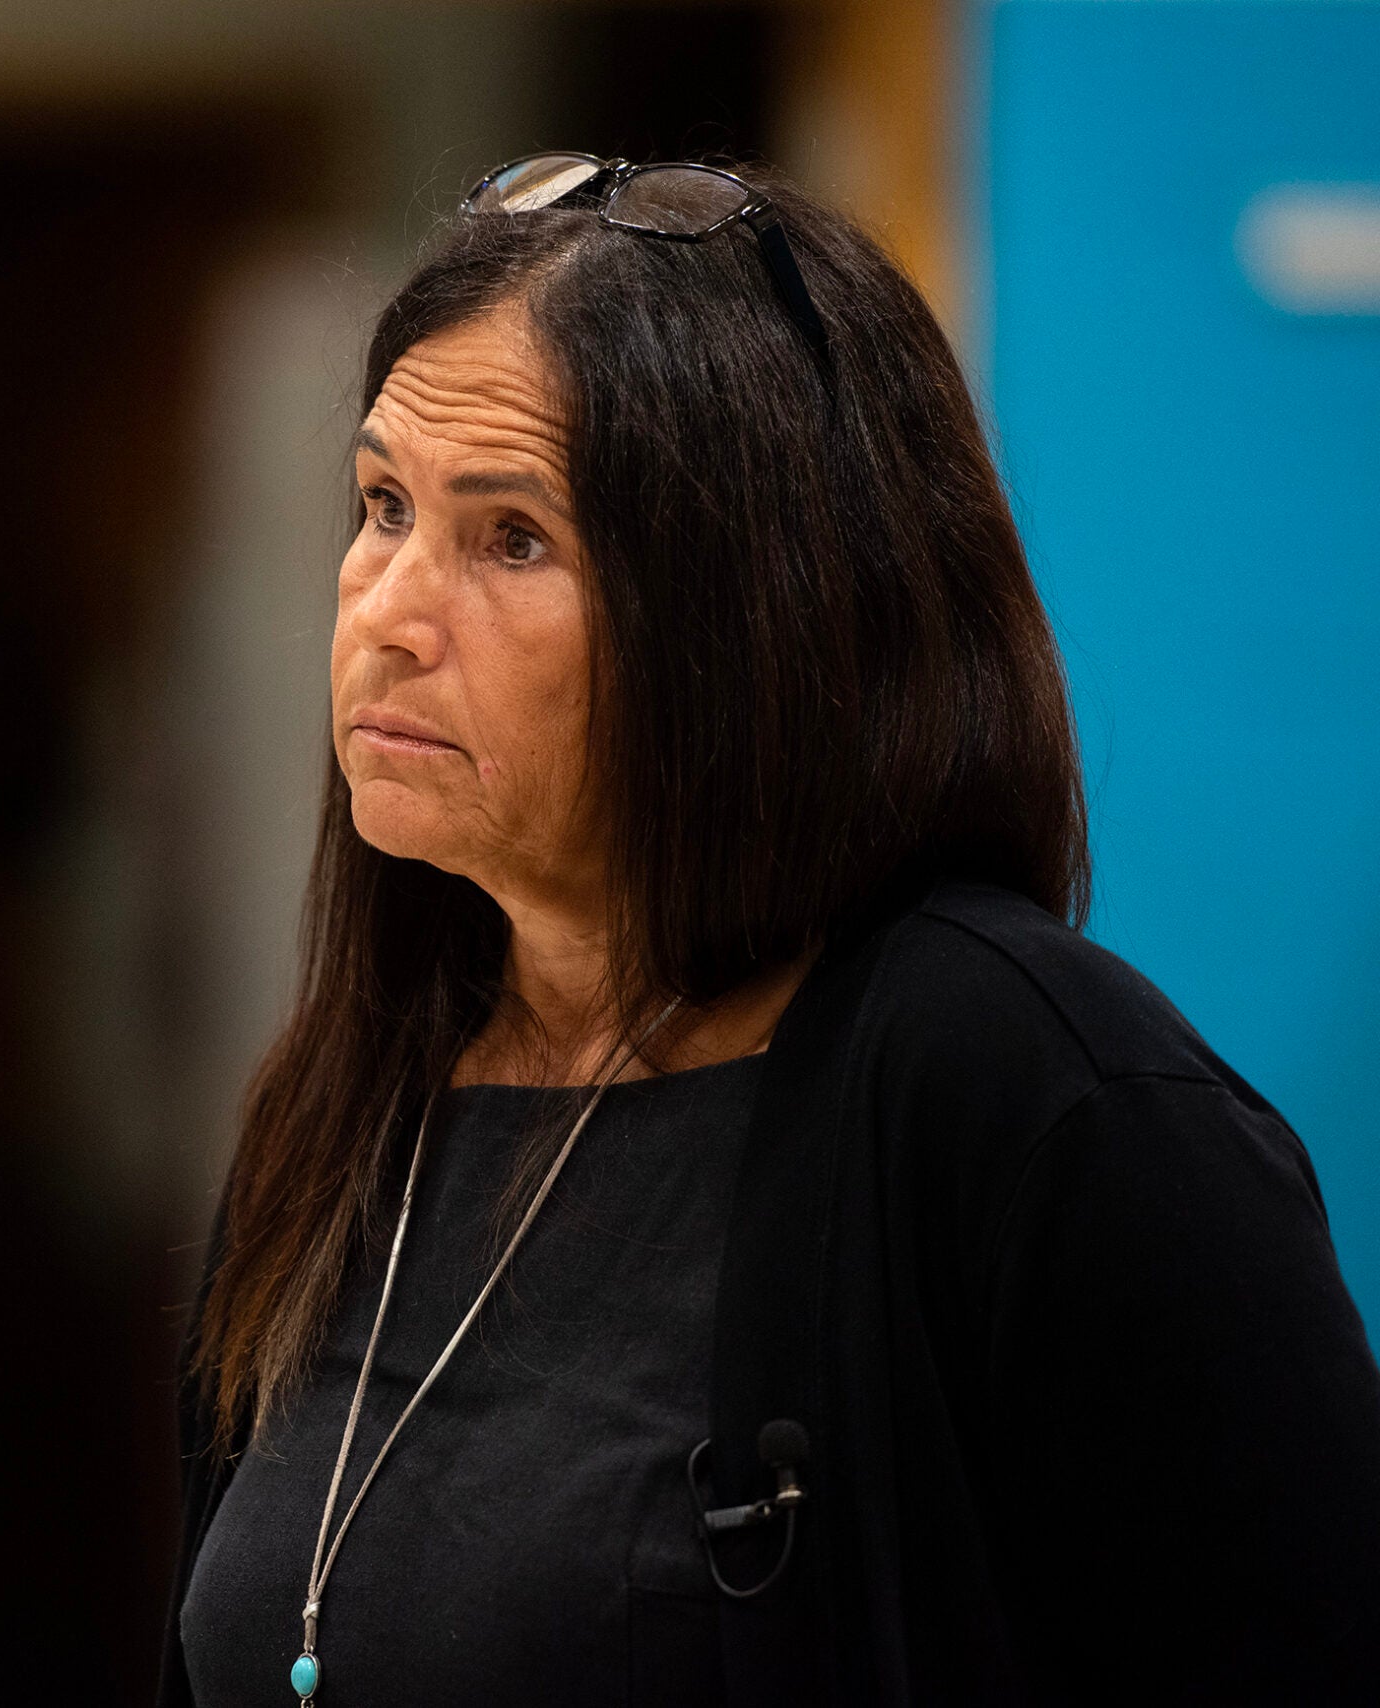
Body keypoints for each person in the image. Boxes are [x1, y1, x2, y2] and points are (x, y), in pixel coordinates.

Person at [162, 154, 1380, 1706]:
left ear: (747, 620)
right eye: (383, 505)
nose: (387, 610)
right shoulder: (346, 1104)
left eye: (512, 538)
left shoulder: (1042, 1103)